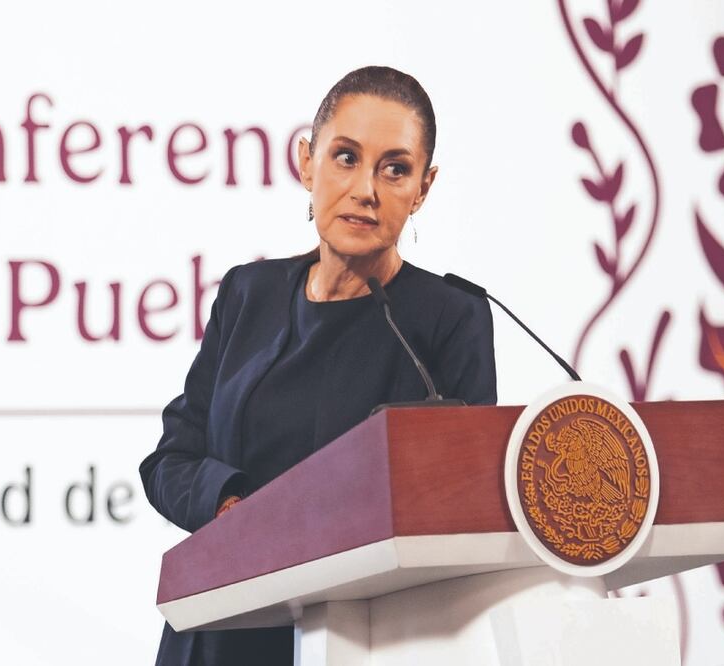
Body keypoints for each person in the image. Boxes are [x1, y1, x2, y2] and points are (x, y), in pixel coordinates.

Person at [138, 65, 497, 666]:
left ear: (424, 188)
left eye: (395, 169)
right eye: (346, 157)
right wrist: (233, 508)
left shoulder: (447, 319)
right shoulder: (247, 293)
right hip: (221, 629)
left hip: (362, 642)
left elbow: (463, 513)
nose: (366, 190)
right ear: (307, 162)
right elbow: (170, 460)